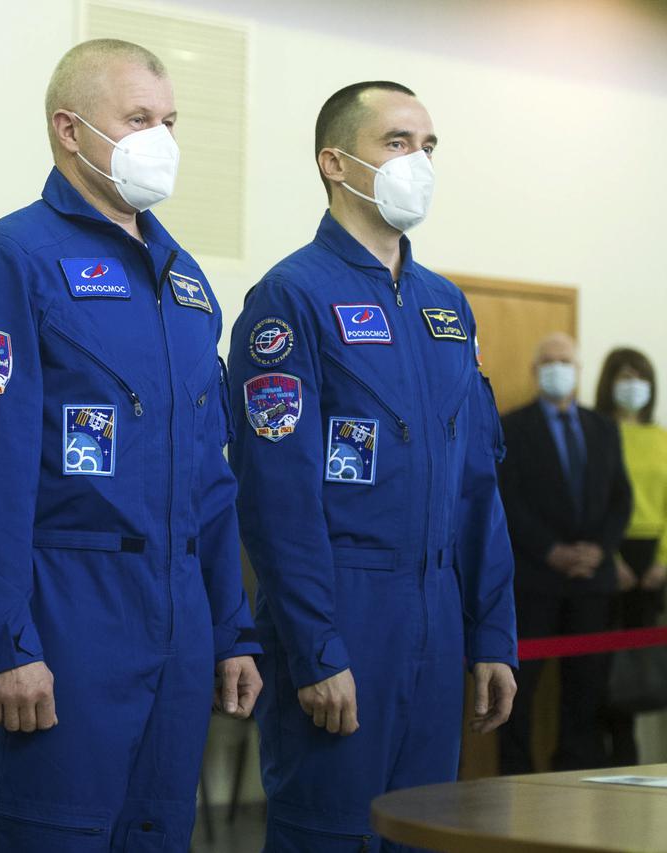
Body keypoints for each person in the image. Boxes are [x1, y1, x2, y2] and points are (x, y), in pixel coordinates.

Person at [0, 38, 262, 852]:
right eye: (139, 118)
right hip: (68, 613)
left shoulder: (184, 280)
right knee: (60, 834)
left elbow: (211, 479)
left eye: (171, 120)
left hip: (180, 617)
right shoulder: (10, 259)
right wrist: (7, 641)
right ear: (70, 130)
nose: (163, 139)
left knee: (158, 832)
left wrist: (232, 627)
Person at [227, 81, 517, 850]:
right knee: (331, 832)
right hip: (346, 614)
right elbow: (276, 498)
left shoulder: (446, 307)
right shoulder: (289, 298)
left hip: (437, 613)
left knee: (423, 831)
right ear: (336, 162)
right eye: (397, 143)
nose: (418, 161)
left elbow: (478, 487)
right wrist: (318, 648)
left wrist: (492, 634)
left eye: (428, 147)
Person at [496, 332, 632, 773]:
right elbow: (506, 501)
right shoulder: (512, 427)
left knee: (586, 691)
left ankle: (575, 777)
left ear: (578, 370)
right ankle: (513, 783)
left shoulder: (603, 427)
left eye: (566, 361)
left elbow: (620, 498)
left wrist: (600, 550)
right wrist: (551, 551)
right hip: (534, 581)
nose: (558, 369)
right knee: (519, 692)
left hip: (592, 582)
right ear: (536, 372)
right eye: (549, 361)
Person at [594, 347, 667, 764]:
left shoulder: (661, 439)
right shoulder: (598, 431)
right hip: (610, 554)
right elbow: (593, 501)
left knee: (642, 669)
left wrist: (662, 561)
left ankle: (631, 759)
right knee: (598, 667)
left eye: (641, 376)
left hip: (652, 559)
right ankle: (601, 755)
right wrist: (610, 557)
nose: (633, 385)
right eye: (624, 376)